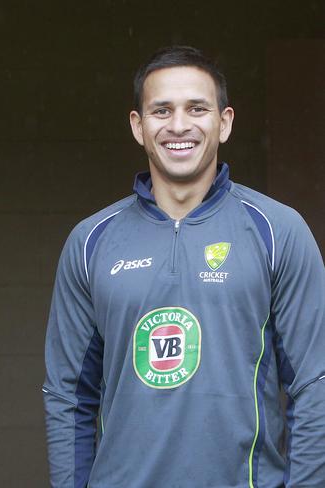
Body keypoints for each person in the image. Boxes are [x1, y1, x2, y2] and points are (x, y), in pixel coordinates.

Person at [43, 45, 325, 487]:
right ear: (138, 126)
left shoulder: (278, 231)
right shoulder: (91, 241)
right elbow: (67, 396)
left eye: (197, 108)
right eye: (161, 110)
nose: (179, 125)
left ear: (224, 121)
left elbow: (315, 384)